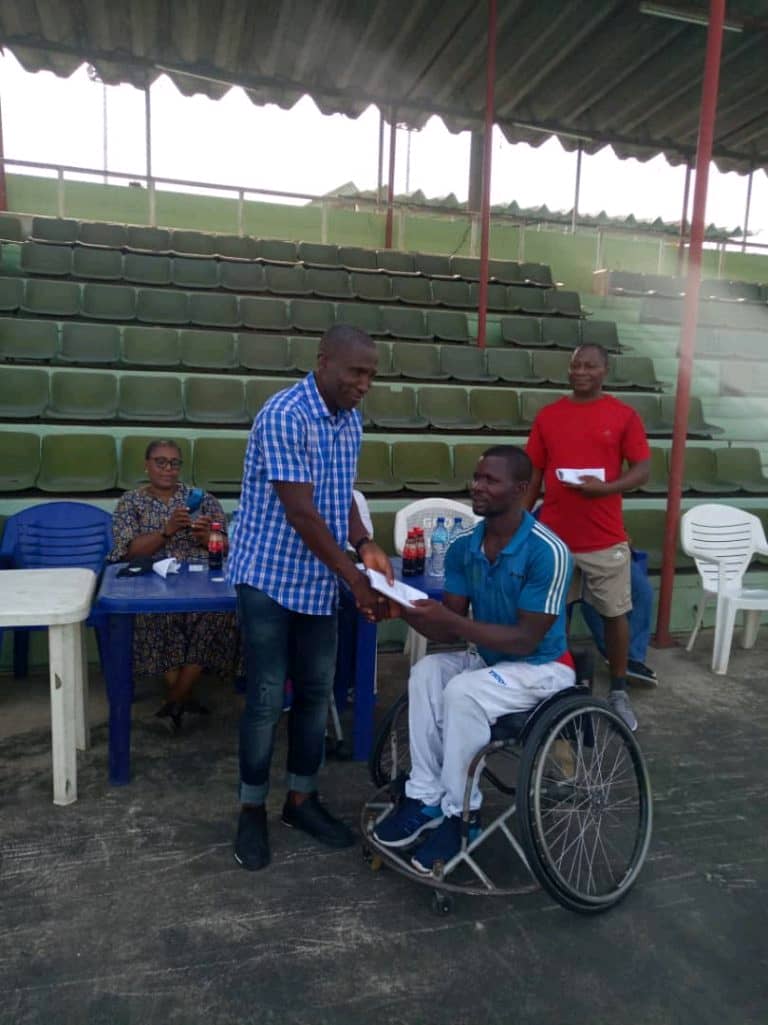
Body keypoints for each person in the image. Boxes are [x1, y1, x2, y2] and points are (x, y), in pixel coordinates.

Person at [228, 323, 394, 872]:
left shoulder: (350, 419)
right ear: (323, 361)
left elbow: (339, 494)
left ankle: (300, 800)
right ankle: (251, 809)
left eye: (371, 375)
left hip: (317, 579)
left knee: (317, 693)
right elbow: (301, 510)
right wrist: (354, 578)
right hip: (268, 576)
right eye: (355, 372)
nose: (364, 384)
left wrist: (364, 542)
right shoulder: (285, 414)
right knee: (266, 697)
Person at [373, 446, 574, 875]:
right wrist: (401, 609)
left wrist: (450, 621)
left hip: (542, 668)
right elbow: (449, 628)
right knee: (427, 672)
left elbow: (525, 638)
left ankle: (462, 813)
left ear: (520, 490)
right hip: (491, 663)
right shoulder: (465, 546)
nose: (477, 487)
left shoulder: (548, 551)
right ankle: (425, 796)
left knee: (463, 691)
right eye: (477, 477)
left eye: (490, 480)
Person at [524, 343, 651, 731]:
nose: (580, 372)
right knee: (554, 616)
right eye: (575, 365)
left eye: (590, 366)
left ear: (605, 371)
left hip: (605, 538)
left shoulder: (623, 415)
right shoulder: (549, 416)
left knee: (615, 614)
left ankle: (618, 689)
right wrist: (523, 523)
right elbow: (533, 474)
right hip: (554, 538)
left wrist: (607, 487)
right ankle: (556, 687)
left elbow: (642, 469)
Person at [109, 439, 240, 731]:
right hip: (151, 583)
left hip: (203, 581)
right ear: (147, 465)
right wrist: (167, 531)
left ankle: (174, 699)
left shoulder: (202, 499)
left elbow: (228, 548)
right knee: (154, 616)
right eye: (161, 462)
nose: (168, 469)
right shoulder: (131, 502)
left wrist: (206, 538)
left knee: (219, 615)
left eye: (174, 463)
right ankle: (183, 695)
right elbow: (128, 553)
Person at [580, 549, 657, 687]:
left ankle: (631, 659)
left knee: (643, 591)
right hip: (575, 549)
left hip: (610, 548)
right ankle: (615, 655)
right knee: (593, 596)